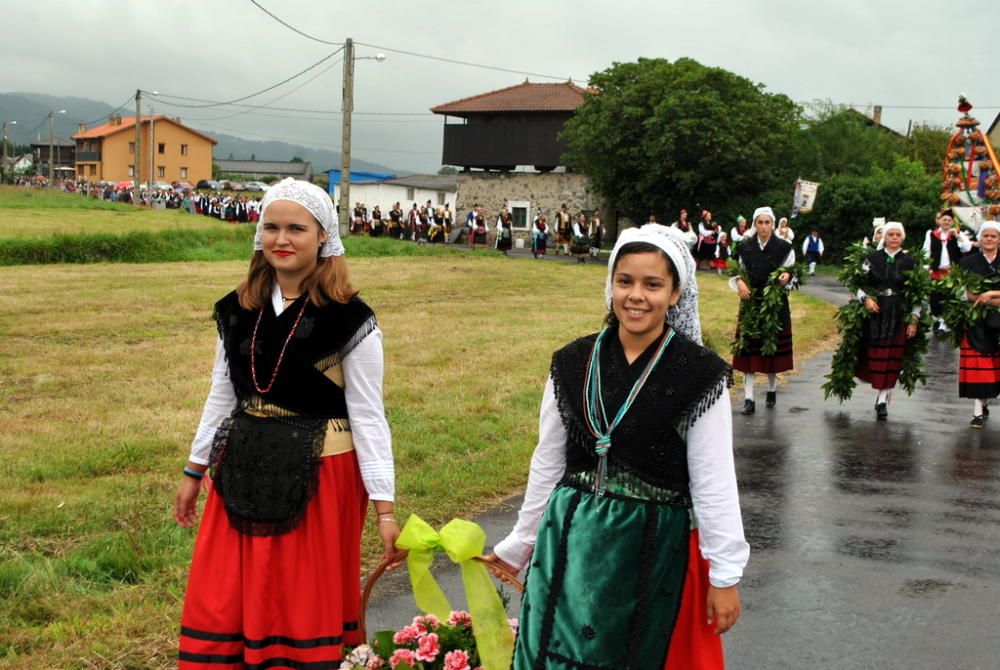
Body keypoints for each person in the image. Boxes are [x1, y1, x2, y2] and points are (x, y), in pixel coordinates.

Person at [488, 223, 748, 669]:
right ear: (609, 286)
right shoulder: (571, 362)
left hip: (652, 546)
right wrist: (520, 543)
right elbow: (548, 462)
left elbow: (714, 480)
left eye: (653, 284)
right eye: (625, 281)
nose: (636, 296)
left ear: (676, 294)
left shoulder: (699, 375)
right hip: (569, 541)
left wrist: (724, 574)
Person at [174, 178, 397, 668]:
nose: (282, 238)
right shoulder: (237, 310)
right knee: (228, 588)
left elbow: (368, 415)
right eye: (272, 227)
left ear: (323, 236)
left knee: (299, 595)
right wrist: (194, 470)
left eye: (296, 228)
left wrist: (384, 509)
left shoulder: (349, 318)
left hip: (319, 475)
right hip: (242, 466)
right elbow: (221, 394)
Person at [851, 223, 922, 420]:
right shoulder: (872, 259)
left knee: (893, 356)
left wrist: (914, 319)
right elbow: (856, 283)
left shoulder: (909, 262)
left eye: (898, 234)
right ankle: (880, 393)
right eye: (891, 234)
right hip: (876, 312)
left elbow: (919, 292)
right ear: (884, 236)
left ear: (903, 238)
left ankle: (882, 400)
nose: (894, 237)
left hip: (899, 312)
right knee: (876, 354)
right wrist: (865, 299)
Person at [731, 206, 796, 414]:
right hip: (751, 303)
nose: (764, 226)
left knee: (771, 349)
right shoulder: (745, 247)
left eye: (768, 222)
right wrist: (739, 282)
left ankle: (771, 388)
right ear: (754, 224)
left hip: (774, 304)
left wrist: (787, 277)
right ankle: (749, 398)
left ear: (773, 224)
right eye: (760, 222)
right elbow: (737, 271)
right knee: (749, 349)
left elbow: (792, 272)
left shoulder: (785, 247)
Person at [957, 221, 1000, 428]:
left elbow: (986, 296)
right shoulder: (968, 262)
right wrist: (980, 298)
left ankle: (985, 402)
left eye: (993, 236)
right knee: (980, 366)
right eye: (986, 236)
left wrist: (990, 295)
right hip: (977, 320)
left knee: (994, 367)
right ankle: (977, 412)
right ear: (980, 239)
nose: (989, 239)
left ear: (999, 240)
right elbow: (962, 291)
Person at [924, 208, 972, 331]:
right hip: (936, 272)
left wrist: (958, 236)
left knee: (949, 299)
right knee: (935, 300)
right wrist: (925, 269)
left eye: (949, 220)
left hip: (952, 273)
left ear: (952, 222)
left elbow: (967, 248)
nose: (946, 222)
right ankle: (937, 319)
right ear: (939, 221)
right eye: (944, 219)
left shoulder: (957, 234)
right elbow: (926, 252)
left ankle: (946, 323)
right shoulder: (931, 235)